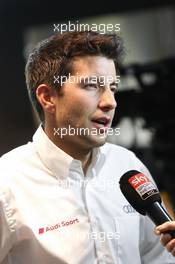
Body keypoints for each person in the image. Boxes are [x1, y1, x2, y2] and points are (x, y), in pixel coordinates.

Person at [0, 30, 174, 264]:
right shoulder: (7, 182)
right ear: (48, 97)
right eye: (93, 86)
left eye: (112, 87)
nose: (110, 102)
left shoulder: (128, 165)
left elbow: (157, 257)